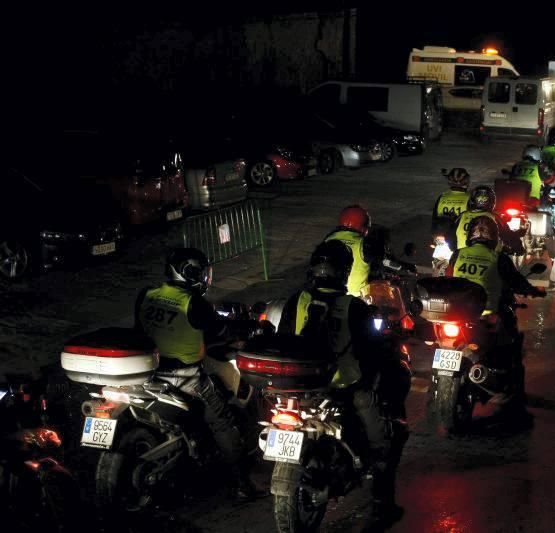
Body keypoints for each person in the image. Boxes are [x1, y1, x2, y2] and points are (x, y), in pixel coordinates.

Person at [278, 241, 406, 526]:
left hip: (298, 387)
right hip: (344, 387)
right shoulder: (353, 306)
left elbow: (283, 337)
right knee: (383, 443)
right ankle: (382, 505)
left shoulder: (296, 300)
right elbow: (371, 350)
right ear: (345, 272)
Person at [134, 248, 264, 502]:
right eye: (202, 272)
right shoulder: (193, 303)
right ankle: (241, 484)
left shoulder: (146, 294)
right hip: (185, 377)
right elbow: (220, 331)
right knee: (222, 422)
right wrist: (249, 327)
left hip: (149, 373)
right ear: (191, 273)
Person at [447, 216, 547, 413]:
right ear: (494, 237)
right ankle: (511, 389)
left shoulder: (458, 254)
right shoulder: (498, 258)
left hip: (456, 314)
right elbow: (516, 282)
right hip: (485, 315)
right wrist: (534, 291)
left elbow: (449, 277)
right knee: (512, 342)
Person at [325, 205, 375, 297]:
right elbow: (383, 261)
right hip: (357, 299)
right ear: (364, 226)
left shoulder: (329, 238)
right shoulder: (363, 243)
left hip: (331, 296)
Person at [451, 185, 505, 250]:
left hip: (462, 256)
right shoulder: (495, 217)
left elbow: (450, 233)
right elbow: (507, 234)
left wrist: (454, 249)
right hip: (489, 258)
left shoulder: (462, 215)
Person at [432, 168, 470, 237]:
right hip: (463, 236)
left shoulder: (442, 197)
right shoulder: (470, 198)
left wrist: (434, 235)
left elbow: (434, 220)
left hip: (444, 236)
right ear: (467, 182)